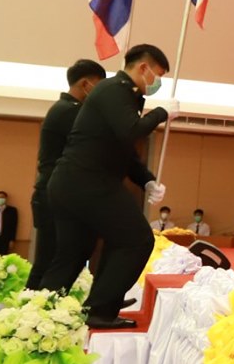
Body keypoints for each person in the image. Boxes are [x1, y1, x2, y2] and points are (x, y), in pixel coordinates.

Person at [41, 43, 176, 328]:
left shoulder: (125, 94)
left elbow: (123, 151)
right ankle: (100, 308)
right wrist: (161, 113)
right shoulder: (115, 89)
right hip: (89, 182)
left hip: (72, 183)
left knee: (74, 253)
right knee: (137, 239)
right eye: (158, 75)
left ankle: (38, 317)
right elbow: (131, 132)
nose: (158, 83)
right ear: (143, 68)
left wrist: (147, 180)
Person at [26, 59, 105, 291]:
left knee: (58, 259)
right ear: (86, 84)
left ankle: (40, 307)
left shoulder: (67, 109)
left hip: (55, 194)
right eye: (99, 86)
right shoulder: (70, 112)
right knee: (49, 261)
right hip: (53, 195)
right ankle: (31, 310)